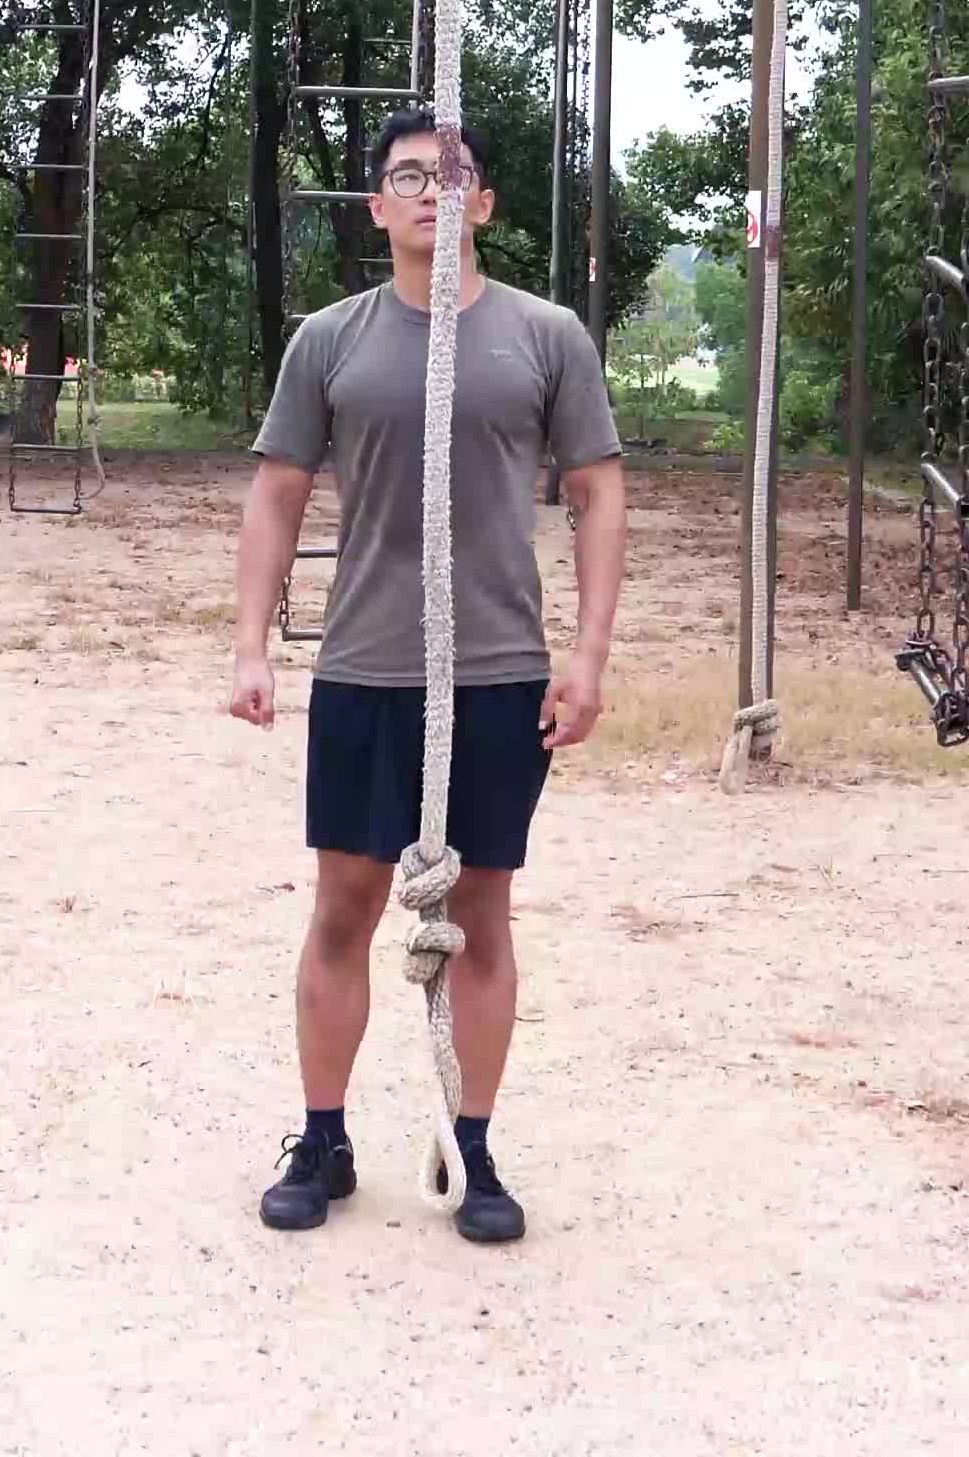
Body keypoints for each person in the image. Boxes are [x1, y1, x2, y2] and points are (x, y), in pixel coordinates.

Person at [225, 106, 628, 1245]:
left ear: (482, 204)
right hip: (366, 669)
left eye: (451, 179)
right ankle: (323, 1138)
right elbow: (276, 493)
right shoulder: (330, 341)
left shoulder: (546, 336)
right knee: (343, 909)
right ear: (376, 208)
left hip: (497, 672)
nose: (429, 194)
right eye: (407, 177)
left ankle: (472, 1144)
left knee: (483, 915)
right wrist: (252, 644)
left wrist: (588, 657)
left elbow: (598, 492)